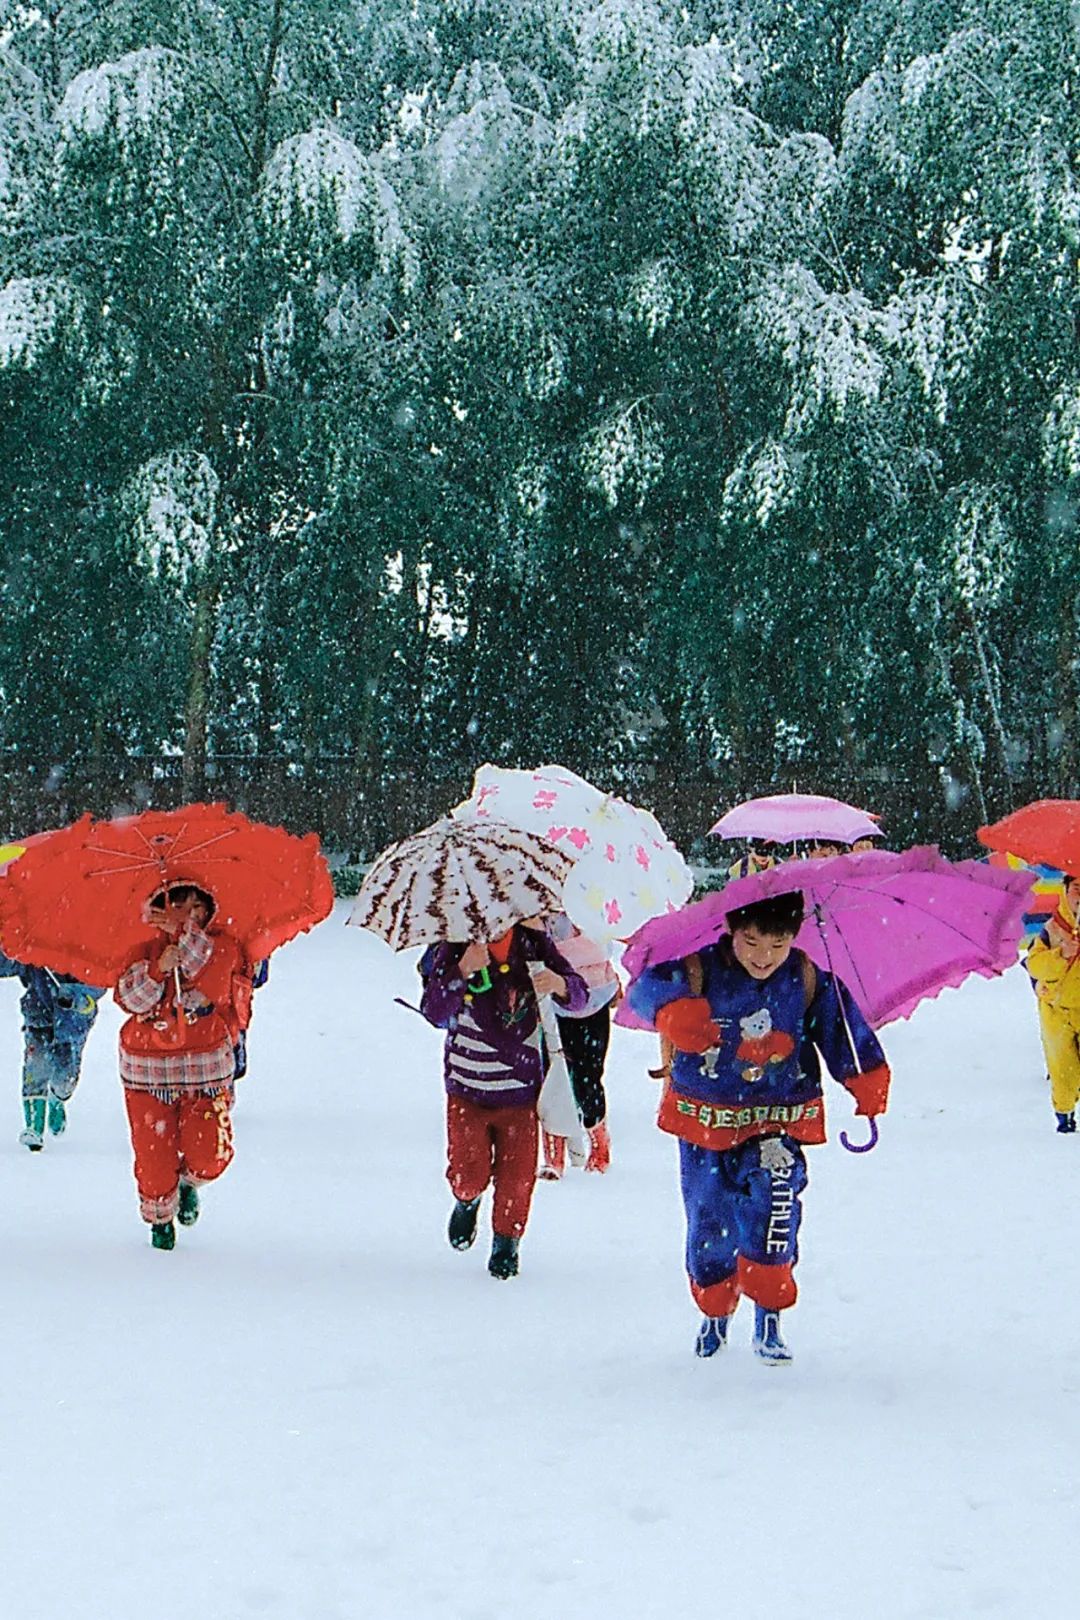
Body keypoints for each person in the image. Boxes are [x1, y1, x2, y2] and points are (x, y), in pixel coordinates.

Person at [627, 889, 890, 1364]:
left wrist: (864, 1078)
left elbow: (842, 1028)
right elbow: (645, 988)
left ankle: (769, 1314)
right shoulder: (697, 968)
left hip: (778, 1116)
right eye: (751, 942)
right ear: (732, 930)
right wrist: (672, 1012)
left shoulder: (807, 977)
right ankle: (715, 1310)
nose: (764, 957)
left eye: (777, 944)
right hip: (705, 1119)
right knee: (710, 1218)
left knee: (777, 1205)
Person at [419, 922, 587, 1279]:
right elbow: (433, 1010)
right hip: (467, 1088)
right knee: (468, 1171)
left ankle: (506, 1242)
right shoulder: (453, 946)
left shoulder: (533, 944)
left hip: (521, 1089)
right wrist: (462, 969)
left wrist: (557, 984)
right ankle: (467, 1199)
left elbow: (579, 994)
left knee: (518, 1177)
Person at [114, 883, 250, 1249]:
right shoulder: (142, 949)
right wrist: (157, 970)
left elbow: (216, 985)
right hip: (147, 1067)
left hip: (204, 1067)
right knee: (152, 1155)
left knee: (210, 1151)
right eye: (177, 905)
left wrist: (183, 935)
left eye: (195, 906)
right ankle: (159, 1217)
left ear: (208, 910)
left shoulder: (224, 946)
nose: (188, 913)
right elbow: (130, 1000)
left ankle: (190, 1181)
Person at [540, 913, 620, 1178]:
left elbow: (600, 947)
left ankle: (598, 1140)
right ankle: (554, 1155)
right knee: (551, 1077)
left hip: (593, 996)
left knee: (588, 1075)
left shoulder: (588, 901)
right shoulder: (534, 906)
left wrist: (551, 954)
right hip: (546, 1001)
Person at [0, 951, 103, 1149]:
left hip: (71, 1024)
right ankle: (34, 1127)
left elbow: (98, 984)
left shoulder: (87, 950)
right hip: (38, 1016)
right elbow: (7, 962)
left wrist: (77, 997)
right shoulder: (33, 947)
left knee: (66, 1074)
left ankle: (58, 1098)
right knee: (35, 1065)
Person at [1025, 874, 1080, 1132]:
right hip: (1056, 1008)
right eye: (1077, 889)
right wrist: (1061, 955)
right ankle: (1064, 1113)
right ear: (1066, 891)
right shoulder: (1054, 928)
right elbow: (1035, 964)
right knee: (1062, 1067)